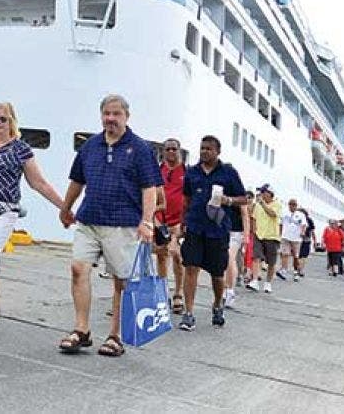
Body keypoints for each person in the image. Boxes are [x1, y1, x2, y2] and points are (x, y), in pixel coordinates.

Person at [57, 94, 160, 358]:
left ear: (127, 116)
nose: (110, 119)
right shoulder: (90, 146)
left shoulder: (140, 149)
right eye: (107, 114)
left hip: (123, 223)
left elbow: (150, 188)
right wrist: (66, 207)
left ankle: (116, 335)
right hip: (89, 218)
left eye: (116, 114)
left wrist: (147, 221)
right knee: (78, 268)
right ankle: (82, 330)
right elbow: (77, 181)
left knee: (121, 281)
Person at [0, 102, 66, 332]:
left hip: (5, 212)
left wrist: (64, 207)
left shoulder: (21, 149)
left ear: (12, 122)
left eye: (4, 119)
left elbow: (38, 183)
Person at [179, 136, 245, 331]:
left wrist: (228, 200)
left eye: (208, 149)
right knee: (191, 268)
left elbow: (244, 199)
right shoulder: (192, 172)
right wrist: (183, 222)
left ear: (218, 151)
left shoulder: (229, 173)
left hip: (217, 230)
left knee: (217, 274)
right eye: (202, 148)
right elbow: (186, 199)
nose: (204, 152)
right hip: (195, 227)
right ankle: (188, 312)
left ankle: (217, 304)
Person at [155, 138, 186, 314]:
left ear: (179, 151)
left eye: (174, 149)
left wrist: (183, 223)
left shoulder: (186, 172)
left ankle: (179, 293)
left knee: (178, 256)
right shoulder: (158, 170)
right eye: (168, 149)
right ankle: (163, 291)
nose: (171, 152)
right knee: (161, 255)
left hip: (178, 221)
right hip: (160, 219)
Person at [246, 185, 281, 293]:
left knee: (271, 262)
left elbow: (273, 214)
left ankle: (268, 283)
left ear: (269, 193)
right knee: (256, 257)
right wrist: (252, 230)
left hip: (271, 236)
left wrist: (262, 204)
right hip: (259, 235)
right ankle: (255, 280)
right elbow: (253, 217)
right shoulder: (258, 205)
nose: (261, 194)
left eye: (263, 192)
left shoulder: (277, 204)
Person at [222, 179, 250, 308]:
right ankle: (223, 289)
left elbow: (245, 215)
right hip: (221, 230)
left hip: (236, 231)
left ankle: (230, 291)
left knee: (229, 258)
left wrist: (246, 235)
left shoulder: (239, 195)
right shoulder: (219, 190)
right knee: (222, 261)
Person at [278, 199, 306, 282]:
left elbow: (304, 225)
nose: (292, 206)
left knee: (296, 256)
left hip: (296, 238)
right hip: (285, 236)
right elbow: (280, 224)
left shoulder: (301, 215)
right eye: (291, 204)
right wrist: (280, 234)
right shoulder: (284, 213)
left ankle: (296, 272)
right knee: (285, 254)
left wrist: (302, 232)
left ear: (296, 206)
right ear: (288, 205)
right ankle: (284, 270)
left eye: (294, 205)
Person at [297, 207, 316, 277]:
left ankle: (299, 269)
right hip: (304, 239)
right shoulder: (309, 219)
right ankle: (300, 270)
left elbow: (312, 231)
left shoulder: (297, 218)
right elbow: (312, 231)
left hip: (300, 239)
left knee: (300, 256)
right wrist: (314, 240)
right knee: (303, 256)